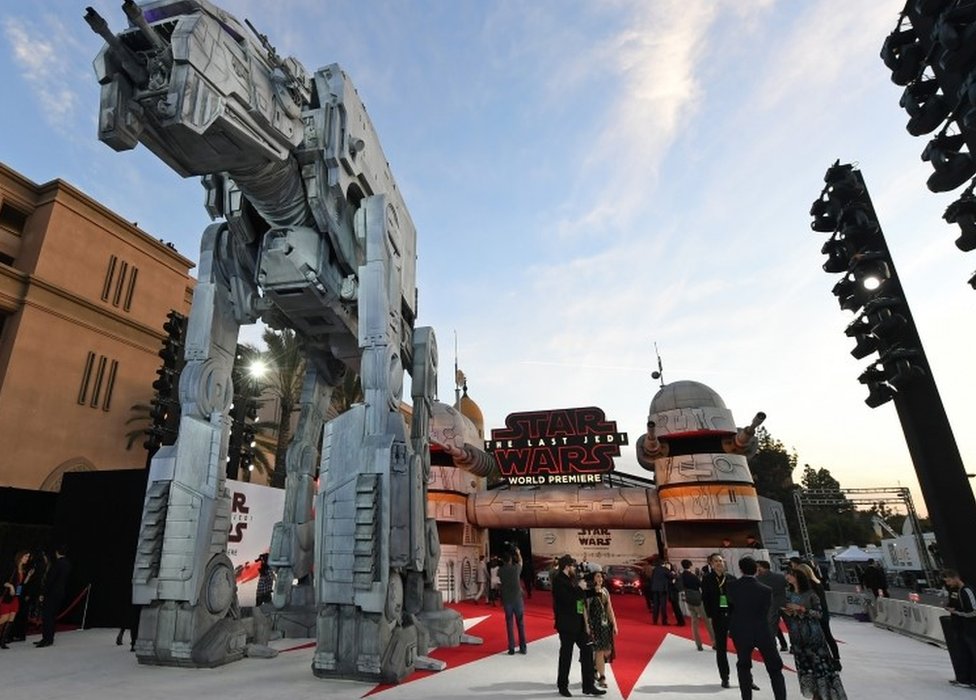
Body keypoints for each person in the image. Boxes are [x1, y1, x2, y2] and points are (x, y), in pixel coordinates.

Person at [727, 556, 786, 700]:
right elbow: (767, 610)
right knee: (774, 669)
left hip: (741, 631)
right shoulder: (766, 590)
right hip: (762, 630)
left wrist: (728, 619)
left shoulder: (731, 586)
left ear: (740, 569)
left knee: (743, 666)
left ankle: (746, 698)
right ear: (756, 570)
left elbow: (725, 605)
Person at [783, 567, 847, 699]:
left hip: (813, 634)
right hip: (797, 634)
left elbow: (819, 614)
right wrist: (789, 611)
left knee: (819, 665)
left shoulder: (811, 594)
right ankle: (814, 693)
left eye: (790, 575)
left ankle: (825, 693)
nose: (787, 577)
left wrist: (802, 609)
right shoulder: (788, 594)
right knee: (805, 666)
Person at [552, 554, 605, 697]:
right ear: (566, 567)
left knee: (587, 651)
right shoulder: (558, 581)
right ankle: (562, 685)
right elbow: (567, 600)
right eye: (572, 566)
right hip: (566, 625)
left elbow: (579, 598)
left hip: (579, 623)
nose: (575, 568)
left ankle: (588, 685)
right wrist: (580, 589)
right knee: (566, 655)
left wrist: (593, 592)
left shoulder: (572, 580)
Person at [796, 562, 840, 669]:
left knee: (819, 638)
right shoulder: (818, 583)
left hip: (814, 614)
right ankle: (835, 659)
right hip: (822, 613)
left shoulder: (808, 586)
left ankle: (826, 659)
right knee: (828, 636)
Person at [702, 552, 735, 688]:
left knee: (743, 648)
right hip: (718, 616)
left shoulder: (731, 578)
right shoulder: (708, 579)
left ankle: (748, 677)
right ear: (711, 564)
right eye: (715, 561)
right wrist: (710, 614)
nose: (719, 563)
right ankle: (725, 677)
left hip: (733, 616)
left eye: (720, 560)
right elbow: (706, 598)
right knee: (721, 648)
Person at [943, 569, 976, 688]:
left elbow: (973, 611)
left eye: (949, 580)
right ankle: (964, 679)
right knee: (963, 654)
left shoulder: (967, 590)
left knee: (972, 653)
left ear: (956, 578)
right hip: (959, 627)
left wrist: (956, 612)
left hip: (970, 628)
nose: (948, 584)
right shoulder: (953, 591)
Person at [583, 570, 617, 689]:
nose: (600, 579)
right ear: (593, 579)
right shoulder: (589, 593)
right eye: (598, 577)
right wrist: (587, 625)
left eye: (601, 577)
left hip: (605, 625)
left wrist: (614, 624)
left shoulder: (605, 591)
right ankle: (602, 677)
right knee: (600, 651)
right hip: (594, 625)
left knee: (607, 651)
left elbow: (609, 608)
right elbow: (584, 610)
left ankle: (594, 668)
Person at [35, 544, 71, 648]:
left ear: (56, 552)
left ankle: (46, 639)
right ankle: (49, 639)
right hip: (60, 593)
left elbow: (50, 580)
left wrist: (42, 593)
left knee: (47, 617)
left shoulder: (57, 564)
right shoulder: (68, 564)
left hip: (51, 594)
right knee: (52, 617)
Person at [1, 550, 32, 649]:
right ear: (20, 557)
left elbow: (21, 585)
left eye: (28, 557)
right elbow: (3, 581)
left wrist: (28, 577)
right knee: (4, 618)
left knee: (11, 619)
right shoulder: (12, 568)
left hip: (16, 598)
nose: (27, 559)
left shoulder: (23, 569)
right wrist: (10, 586)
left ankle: (2, 642)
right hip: (7, 597)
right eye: (26, 556)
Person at [680, 559, 713, 651]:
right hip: (697, 599)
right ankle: (714, 642)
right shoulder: (693, 576)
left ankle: (698, 644)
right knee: (707, 621)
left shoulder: (681, 576)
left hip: (689, 599)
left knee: (694, 622)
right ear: (690, 565)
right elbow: (700, 585)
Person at [499, 547, 527, 655]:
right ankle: (523, 647)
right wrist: (518, 553)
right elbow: (521, 562)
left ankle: (511, 648)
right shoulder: (516, 569)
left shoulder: (500, 571)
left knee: (509, 624)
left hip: (507, 600)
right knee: (520, 624)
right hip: (517, 600)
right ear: (510, 560)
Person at [756, 560, 790, 652]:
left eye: (758, 567)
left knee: (771, 627)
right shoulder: (780, 577)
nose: (757, 569)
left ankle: (774, 645)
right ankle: (791, 646)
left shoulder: (758, 579)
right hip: (784, 603)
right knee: (789, 626)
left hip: (770, 605)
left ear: (762, 567)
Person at [649, 558, 671, 625]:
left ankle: (655, 620)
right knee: (663, 606)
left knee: (656, 605)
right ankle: (664, 621)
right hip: (662, 589)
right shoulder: (665, 569)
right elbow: (671, 576)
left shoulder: (655, 569)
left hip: (655, 589)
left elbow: (652, 579)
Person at [666, 562, 685, 626]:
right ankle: (680, 621)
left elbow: (675, 582)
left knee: (676, 607)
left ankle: (681, 622)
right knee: (675, 607)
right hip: (672, 592)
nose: (667, 567)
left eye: (668, 565)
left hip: (674, 592)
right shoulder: (670, 573)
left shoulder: (672, 573)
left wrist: (672, 582)